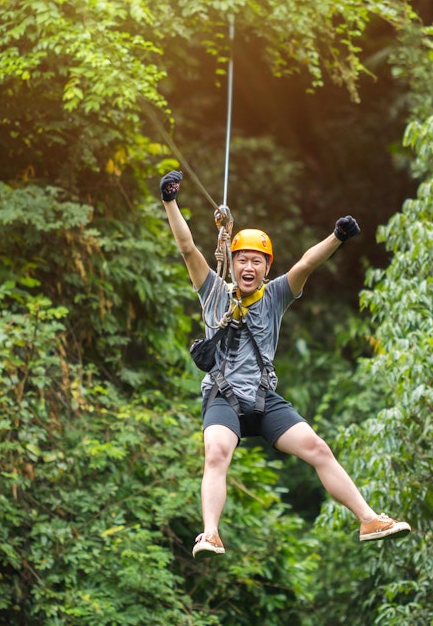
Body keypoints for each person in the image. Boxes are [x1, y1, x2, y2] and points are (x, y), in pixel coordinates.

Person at [159, 170, 411, 559]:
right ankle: (210, 533)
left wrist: (337, 237)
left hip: (262, 400)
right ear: (232, 259)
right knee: (216, 453)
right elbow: (187, 248)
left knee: (317, 448)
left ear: (266, 266)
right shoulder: (212, 291)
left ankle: (368, 518)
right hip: (223, 397)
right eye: (241, 259)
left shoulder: (276, 295)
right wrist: (170, 201)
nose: (247, 267)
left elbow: (306, 264)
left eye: (256, 261)